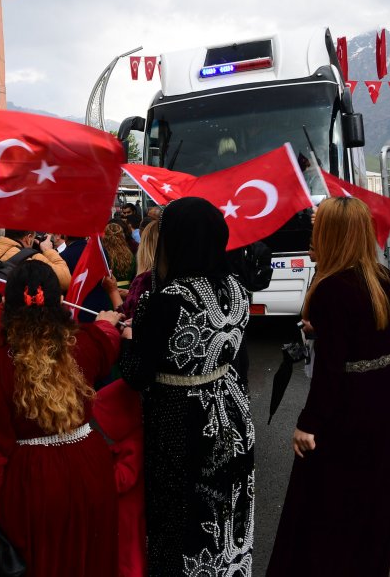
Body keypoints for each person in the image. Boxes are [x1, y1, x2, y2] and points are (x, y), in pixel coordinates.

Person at [267, 197, 390, 577]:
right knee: (372, 510)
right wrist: (324, 330)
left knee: (327, 514)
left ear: (332, 234)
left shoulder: (331, 289)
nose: (312, 232)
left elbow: (331, 374)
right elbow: (366, 335)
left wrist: (306, 425)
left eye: (318, 227)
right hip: (386, 403)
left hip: (349, 413)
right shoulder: (381, 278)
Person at [118, 197, 253, 575]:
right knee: (227, 506)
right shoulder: (238, 289)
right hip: (231, 412)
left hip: (181, 421)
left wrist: (127, 338)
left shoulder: (165, 300)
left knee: (181, 517)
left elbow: (136, 374)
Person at [0, 260, 123, 577]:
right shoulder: (86, 343)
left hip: (32, 477)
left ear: (7, 304)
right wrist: (108, 320)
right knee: (91, 555)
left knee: (43, 559)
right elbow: (108, 340)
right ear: (59, 301)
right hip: (89, 465)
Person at [91, 379, 146, 577]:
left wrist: (102, 475)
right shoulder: (134, 439)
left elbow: (124, 478)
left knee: (129, 559)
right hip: (128, 515)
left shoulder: (134, 444)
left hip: (129, 517)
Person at [0, 229, 71, 290]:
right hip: (15, 318)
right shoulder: (32, 258)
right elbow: (66, 281)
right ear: (28, 238)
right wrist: (48, 250)